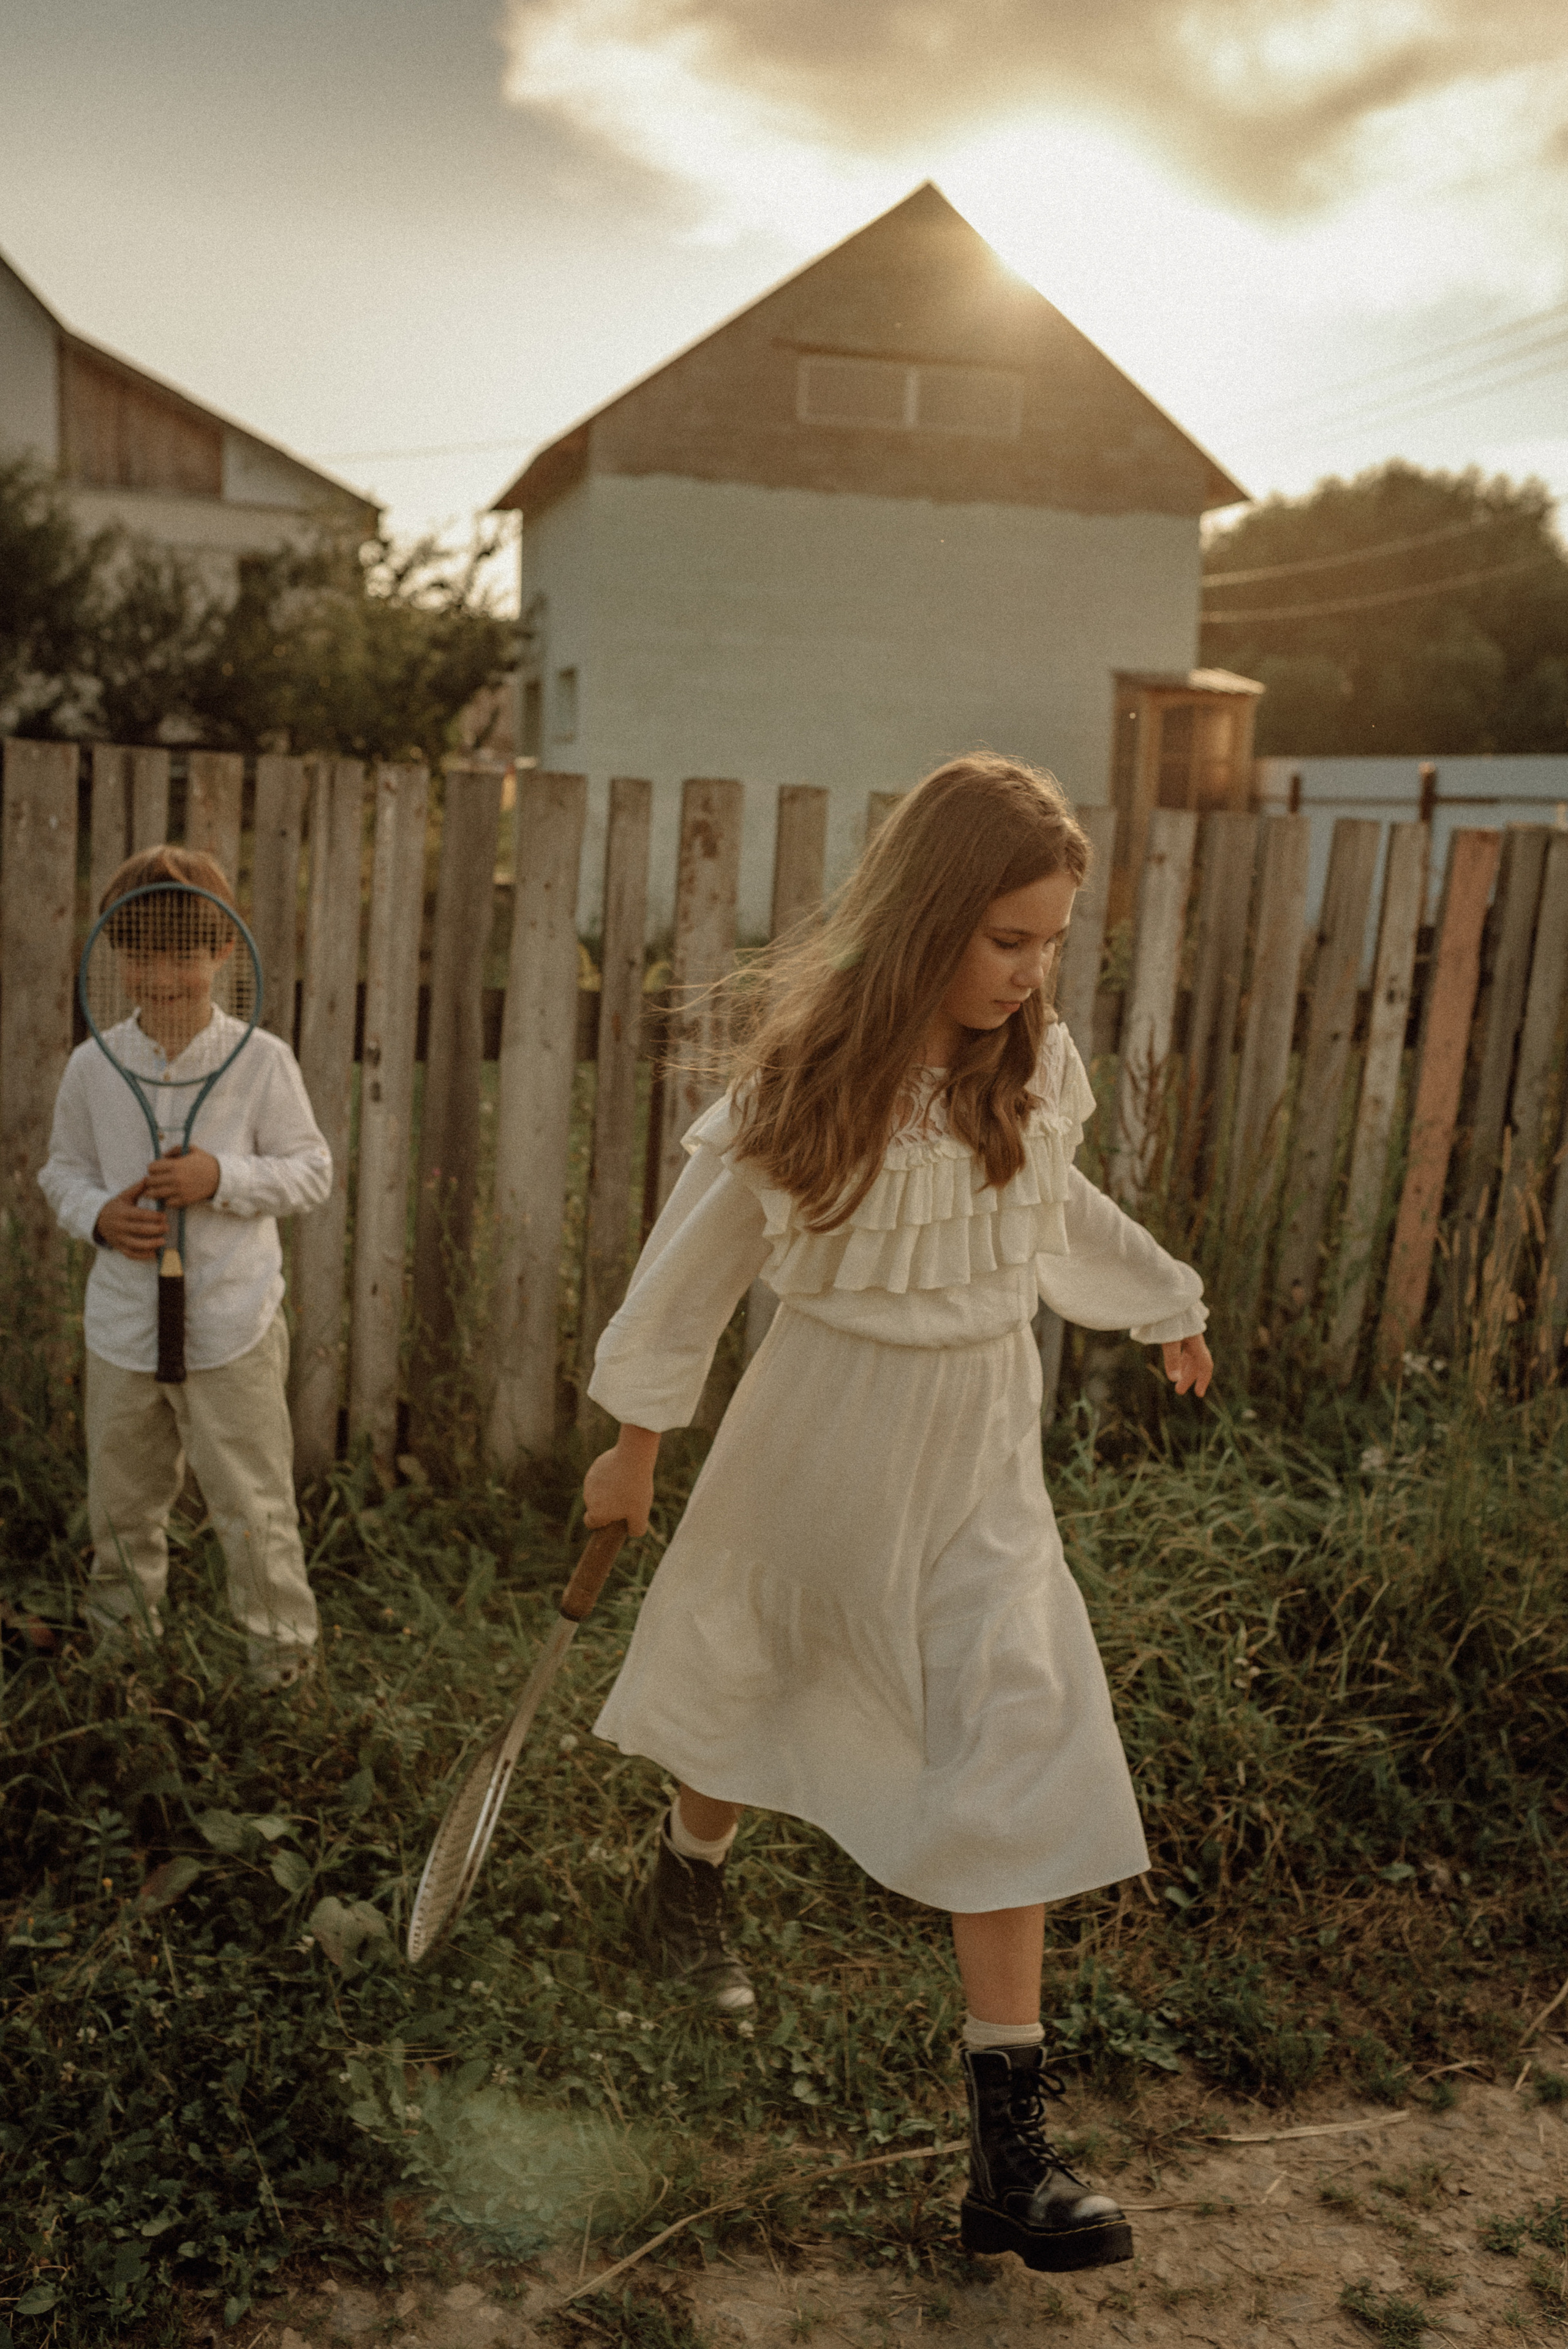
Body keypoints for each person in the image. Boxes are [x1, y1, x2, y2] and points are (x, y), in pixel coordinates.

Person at [581, 754, 1213, 2275]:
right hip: (821, 1434)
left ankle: (1009, 2156)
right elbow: (689, 1274)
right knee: (759, 1668)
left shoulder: (1032, 1070)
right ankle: (681, 1880)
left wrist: (1160, 1299)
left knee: (1018, 1731)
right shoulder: (804, 1085)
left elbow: (1054, 1209)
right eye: (1006, 939)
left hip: (983, 1451)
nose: (1030, 970)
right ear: (926, 918)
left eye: (1049, 941)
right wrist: (633, 1445)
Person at [40, 845, 332, 1690]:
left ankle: (282, 1672)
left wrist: (221, 1177)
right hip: (124, 1331)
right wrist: (99, 1216)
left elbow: (310, 1170)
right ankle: (122, 1662)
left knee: (253, 1508)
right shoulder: (94, 1066)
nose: (161, 977)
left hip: (233, 1327)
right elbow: (62, 1171)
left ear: (223, 950)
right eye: (139, 955)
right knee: (121, 1509)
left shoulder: (261, 1061)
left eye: (182, 955)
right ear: (114, 956)